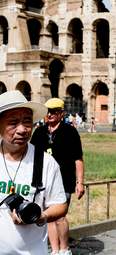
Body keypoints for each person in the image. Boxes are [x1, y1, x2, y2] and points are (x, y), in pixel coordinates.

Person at [0, 91, 68, 254]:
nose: (22, 130)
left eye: (27, 122)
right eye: (14, 122)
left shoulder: (45, 162)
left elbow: (60, 204)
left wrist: (41, 217)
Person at [30, 98, 85, 255]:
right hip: (43, 181)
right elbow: (32, 155)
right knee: (48, 216)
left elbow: (78, 158)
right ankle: (54, 250)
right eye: (48, 111)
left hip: (64, 180)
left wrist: (80, 182)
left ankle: (64, 248)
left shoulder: (70, 132)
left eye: (54, 111)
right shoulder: (40, 132)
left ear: (61, 113)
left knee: (60, 216)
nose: (50, 114)